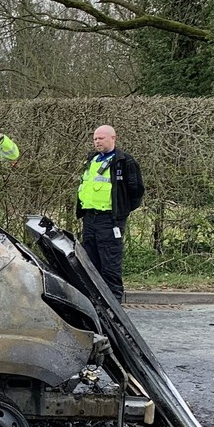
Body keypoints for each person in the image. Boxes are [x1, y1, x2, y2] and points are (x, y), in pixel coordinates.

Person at [76, 124, 145, 300]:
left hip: (110, 220)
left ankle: (114, 302)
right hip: (90, 218)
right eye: (95, 139)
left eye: (101, 138)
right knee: (90, 262)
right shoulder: (92, 160)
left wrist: (121, 212)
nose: (97, 142)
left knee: (110, 263)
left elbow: (136, 190)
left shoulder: (124, 161)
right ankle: (94, 300)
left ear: (113, 138)